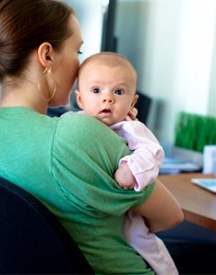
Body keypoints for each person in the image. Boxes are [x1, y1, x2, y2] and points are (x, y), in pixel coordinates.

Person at [0, 0, 184, 274]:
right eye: (78, 51)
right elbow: (171, 216)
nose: (82, 66)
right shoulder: (77, 134)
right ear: (47, 55)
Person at [75, 52, 178, 275]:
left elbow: (152, 152)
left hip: (131, 210)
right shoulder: (75, 124)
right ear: (80, 99)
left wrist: (130, 168)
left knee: (143, 241)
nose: (107, 98)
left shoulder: (130, 127)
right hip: (101, 213)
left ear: (132, 102)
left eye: (118, 92)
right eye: (96, 90)